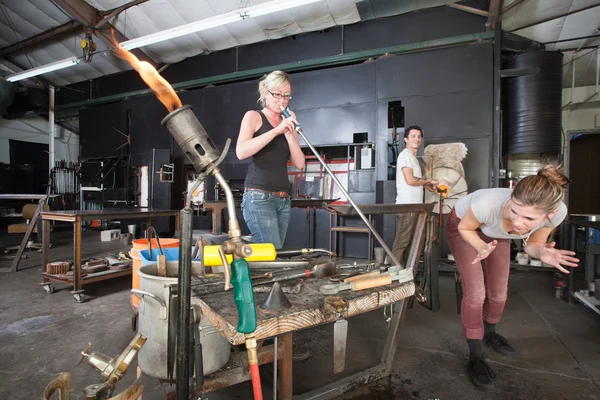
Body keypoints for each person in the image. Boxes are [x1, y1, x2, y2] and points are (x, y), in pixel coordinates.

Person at [446, 165, 578, 391]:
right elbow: (467, 228)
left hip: (496, 232)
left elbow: (533, 244)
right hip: (465, 227)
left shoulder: (558, 213)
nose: (518, 222)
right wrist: (480, 246)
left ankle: (490, 333)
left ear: (550, 215)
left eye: (528, 218)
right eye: (514, 210)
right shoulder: (488, 205)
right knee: (476, 293)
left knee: (499, 292)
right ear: (512, 196)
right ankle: (476, 356)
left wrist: (542, 252)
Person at [236, 70, 305, 249]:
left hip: (283, 199)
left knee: (274, 252)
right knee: (271, 251)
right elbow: (241, 151)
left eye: (286, 96)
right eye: (277, 95)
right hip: (259, 196)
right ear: (265, 92)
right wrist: (276, 131)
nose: (282, 101)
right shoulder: (253, 116)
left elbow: (300, 163)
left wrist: (290, 135)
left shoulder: (286, 123)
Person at [392, 125, 438, 267]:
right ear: (406, 139)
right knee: (403, 241)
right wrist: (429, 180)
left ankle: (405, 273)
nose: (416, 139)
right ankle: (395, 273)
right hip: (407, 206)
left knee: (411, 241)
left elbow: (416, 181)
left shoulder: (413, 159)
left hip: (415, 206)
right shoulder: (405, 156)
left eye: (419, 136)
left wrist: (429, 186)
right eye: (413, 136)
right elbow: (410, 180)